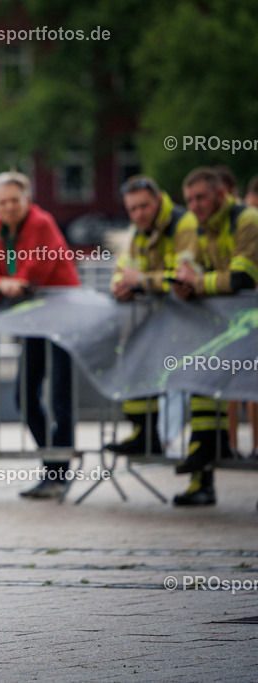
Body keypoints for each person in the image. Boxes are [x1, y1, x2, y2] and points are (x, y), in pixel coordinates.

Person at [0, 171, 81, 499]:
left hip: (62, 319)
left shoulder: (41, 223)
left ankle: (58, 473)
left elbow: (35, 271)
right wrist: (1, 284)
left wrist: (10, 281)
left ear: (27, 200)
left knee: (60, 397)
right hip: (33, 320)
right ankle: (53, 466)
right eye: (1, 202)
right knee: (25, 393)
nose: (7, 207)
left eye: (13, 200)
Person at [169, 167, 258, 505]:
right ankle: (204, 469)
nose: (194, 205)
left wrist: (198, 284)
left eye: (201, 197)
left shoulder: (247, 219)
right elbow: (209, 277)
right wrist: (186, 288)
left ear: (221, 194)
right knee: (202, 380)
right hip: (239, 325)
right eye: (189, 199)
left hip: (247, 322)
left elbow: (241, 280)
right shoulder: (205, 228)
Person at [106, 176, 197, 456]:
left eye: (144, 206)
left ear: (159, 200)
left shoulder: (184, 224)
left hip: (196, 319)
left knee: (199, 389)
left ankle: (204, 455)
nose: (138, 214)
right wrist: (120, 287)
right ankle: (143, 434)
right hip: (162, 322)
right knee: (135, 362)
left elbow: (185, 277)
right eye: (132, 209)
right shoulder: (139, 231)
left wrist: (141, 280)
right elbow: (122, 271)